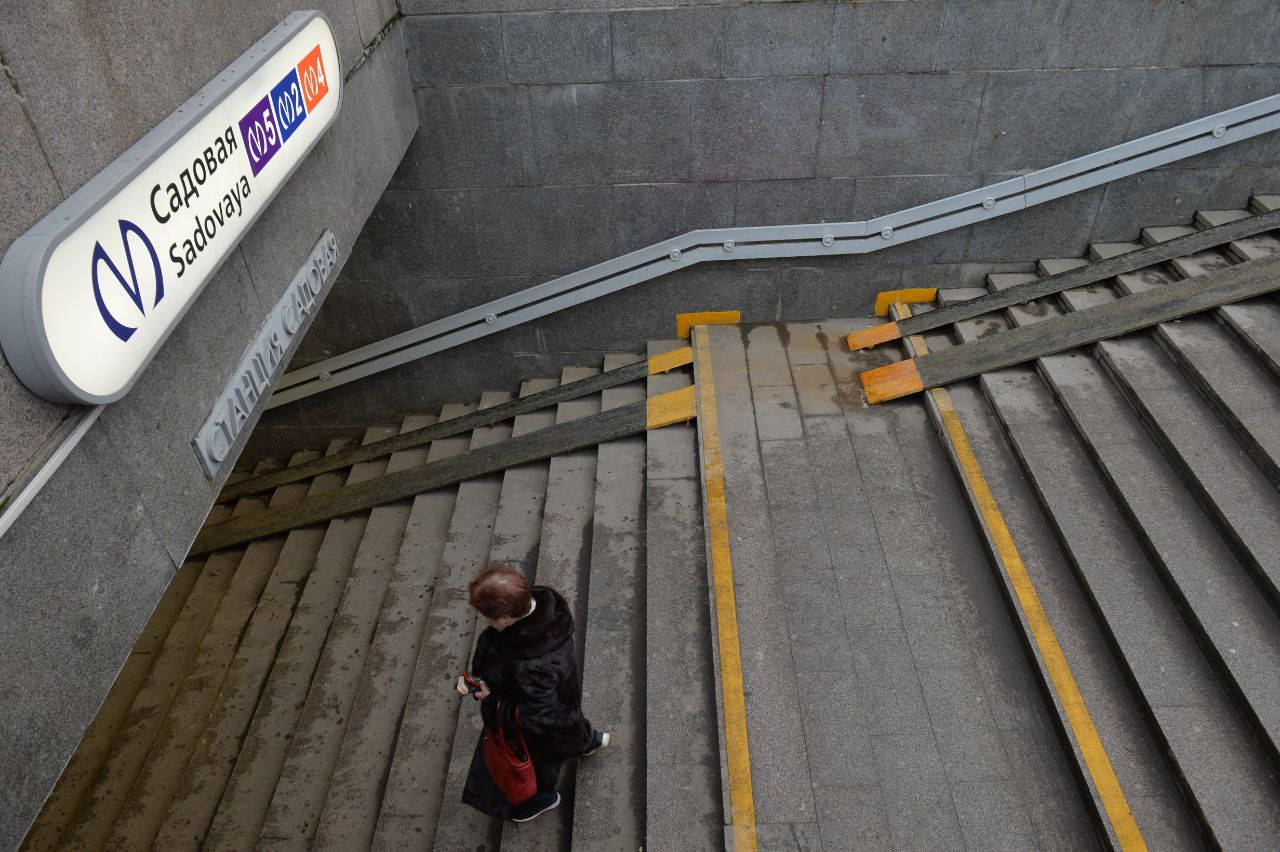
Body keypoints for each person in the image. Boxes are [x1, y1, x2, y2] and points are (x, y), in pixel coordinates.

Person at [461, 564, 609, 823]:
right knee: (570, 723)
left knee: (537, 767)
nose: (486, 622)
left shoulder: (531, 664)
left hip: (540, 731)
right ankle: (587, 741)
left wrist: (491, 701)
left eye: (488, 617)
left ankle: (535, 801)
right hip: (564, 703)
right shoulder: (544, 606)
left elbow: (536, 714)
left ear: (507, 618)